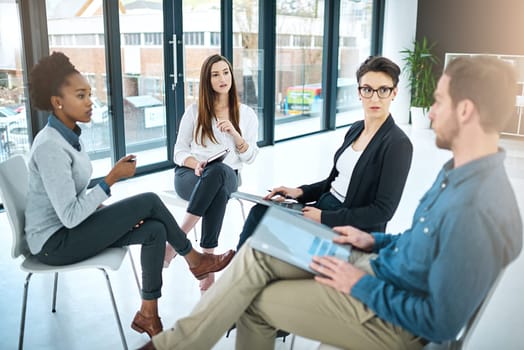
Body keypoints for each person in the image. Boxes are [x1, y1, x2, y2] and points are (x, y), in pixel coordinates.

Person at [139, 55, 523, 350]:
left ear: (466, 110)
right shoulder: (459, 170)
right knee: (258, 252)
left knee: (254, 300)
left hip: (388, 311)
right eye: (367, 89)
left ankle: (175, 340)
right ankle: (174, 340)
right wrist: (375, 243)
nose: (431, 111)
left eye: (438, 100)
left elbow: (438, 322)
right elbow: (422, 238)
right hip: (377, 263)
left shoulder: (478, 208)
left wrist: (360, 283)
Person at [24, 52, 235, 339]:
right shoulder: (50, 146)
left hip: (73, 229)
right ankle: (194, 259)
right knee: (148, 201)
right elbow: (70, 216)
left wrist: (115, 217)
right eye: (80, 95)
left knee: (155, 230)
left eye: (89, 93)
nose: (90, 102)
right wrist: (111, 179)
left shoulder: (70, 136)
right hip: (55, 243)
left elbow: (74, 199)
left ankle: (148, 314)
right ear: (57, 102)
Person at [236, 56, 413, 249]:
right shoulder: (356, 129)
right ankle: (237, 273)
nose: (375, 98)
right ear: (359, 92)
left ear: (394, 93)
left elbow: (382, 211)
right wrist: (300, 192)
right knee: (260, 211)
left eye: (383, 90)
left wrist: (324, 217)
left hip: (347, 226)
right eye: (368, 89)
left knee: (266, 230)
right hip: (324, 206)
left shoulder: (398, 143)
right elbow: (336, 181)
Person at [164, 54, 259, 291]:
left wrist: (236, 135)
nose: (222, 78)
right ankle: (207, 261)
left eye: (225, 72)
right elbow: (178, 151)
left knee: (217, 173)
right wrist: (195, 163)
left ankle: (176, 242)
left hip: (228, 175)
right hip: (191, 175)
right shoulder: (195, 111)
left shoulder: (246, 114)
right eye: (215, 74)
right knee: (213, 185)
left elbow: (250, 157)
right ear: (207, 80)